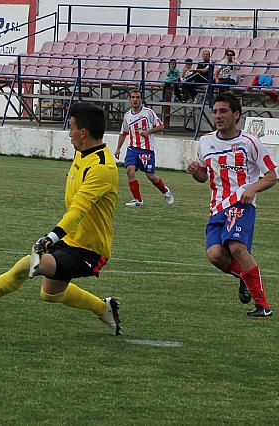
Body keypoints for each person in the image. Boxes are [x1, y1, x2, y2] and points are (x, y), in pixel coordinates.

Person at [0, 103, 122, 335]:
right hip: (72, 240)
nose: (69, 133)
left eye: (71, 127)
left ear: (83, 132)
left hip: (89, 249)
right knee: (50, 293)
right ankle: (104, 308)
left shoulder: (102, 168)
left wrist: (50, 237)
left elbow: (78, 210)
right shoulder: (83, 152)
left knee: (29, 263)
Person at [186, 93, 275, 317]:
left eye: (223, 111)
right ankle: (245, 276)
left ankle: (262, 306)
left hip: (241, 204)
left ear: (236, 115)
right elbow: (203, 177)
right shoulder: (205, 142)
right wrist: (196, 172)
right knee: (215, 255)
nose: (218, 116)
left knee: (236, 248)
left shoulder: (249, 142)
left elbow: (271, 175)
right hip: (217, 208)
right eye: (215, 111)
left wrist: (252, 189)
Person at [114, 89, 173, 207]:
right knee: (129, 171)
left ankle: (166, 191)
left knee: (151, 176)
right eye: (133, 97)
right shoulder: (127, 116)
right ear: (129, 100)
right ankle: (138, 200)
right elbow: (123, 133)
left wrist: (148, 132)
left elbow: (161, 127)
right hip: (132, 149)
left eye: (138, 97)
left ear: (141, 99)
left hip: (146, 150)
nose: (135, 100)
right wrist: (118, 148)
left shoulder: (148, 113)